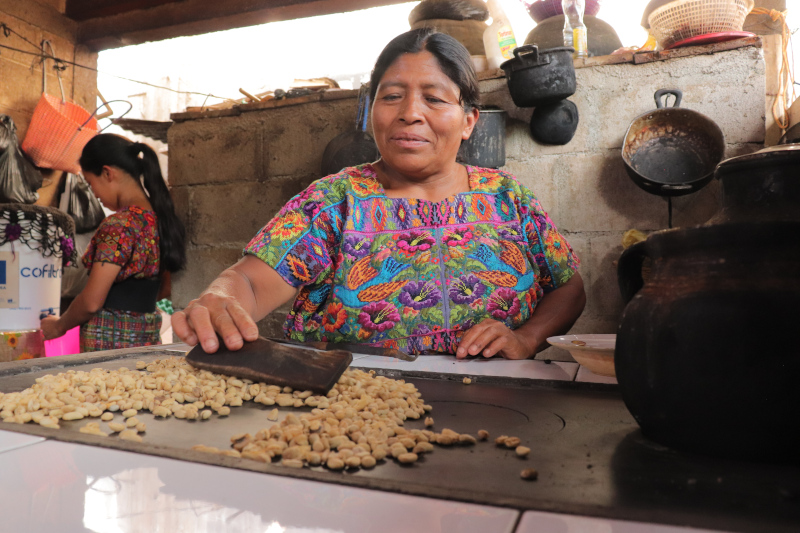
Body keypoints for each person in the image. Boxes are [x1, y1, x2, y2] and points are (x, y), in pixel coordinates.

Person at [173, 28, 585, 359]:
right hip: (354, 418)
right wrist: (219, 298)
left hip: (501, 413)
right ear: (374, 112)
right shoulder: (334, 201)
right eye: (391, 97)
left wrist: (528, 339)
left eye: (434, 98)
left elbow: (568, 286)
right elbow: (248, 279)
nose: (410, 112)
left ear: (468, 121)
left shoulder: (507, 198)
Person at [40, 134, 186, 351]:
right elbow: (165, 286)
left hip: (109, 342)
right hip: (146, 335)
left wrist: (58, 326)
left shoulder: (118, 226)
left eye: (91, 183)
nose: (95, 195)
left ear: (107, 173)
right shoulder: (161, 220)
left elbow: (91, 302)